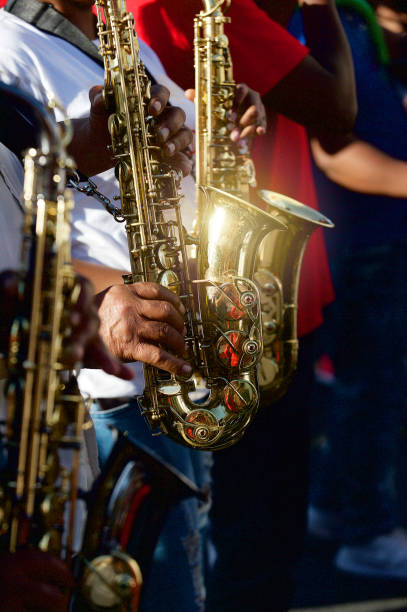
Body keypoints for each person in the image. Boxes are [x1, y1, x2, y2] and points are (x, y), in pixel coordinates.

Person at [0, 1, 266, 609]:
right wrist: (96, 296)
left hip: (169, 356)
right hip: (109, 382)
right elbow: (15, 228)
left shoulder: (126, 43)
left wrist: (200, 124)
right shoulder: (8, 51)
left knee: (188, 571)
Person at [127, 1, 357, 609]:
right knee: (254, 533)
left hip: (254, 295)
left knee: (246, 526)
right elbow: (339, 110)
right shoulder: (199, 7)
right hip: (237, 304)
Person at [289, 0, 407, 579]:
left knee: (363, 392)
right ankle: (366, 528)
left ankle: (336, 508)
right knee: (372, 393)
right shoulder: (310, 17)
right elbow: (332, 151)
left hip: (375, 240)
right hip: (356, 246)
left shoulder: (354, 17)